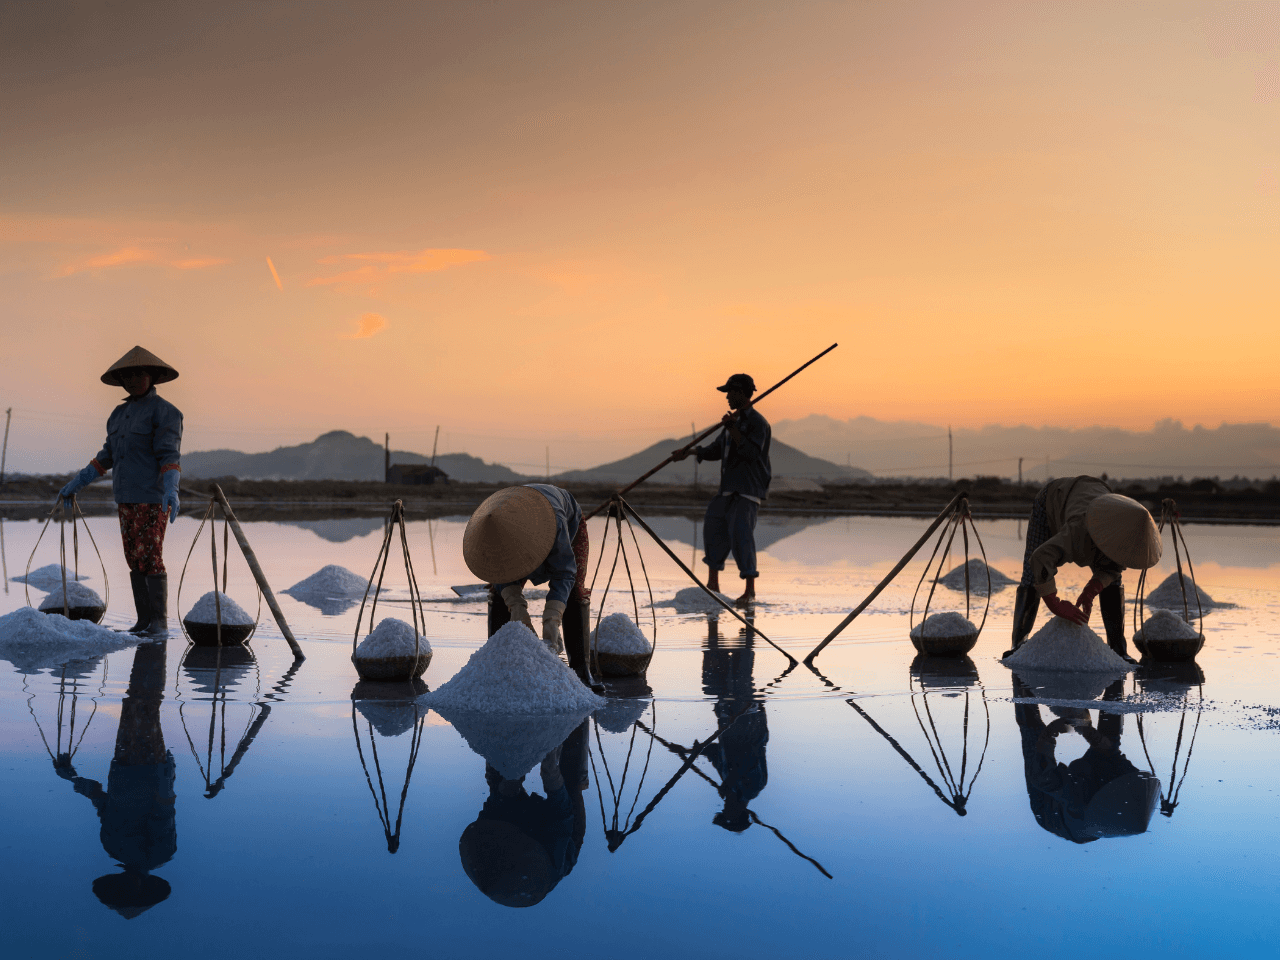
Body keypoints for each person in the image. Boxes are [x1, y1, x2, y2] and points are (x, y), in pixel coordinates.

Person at [58, 346, 183, 638]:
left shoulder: (166, 412)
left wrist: (171, 489)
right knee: (133, 557)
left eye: (140, 374)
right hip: (125, 498)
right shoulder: (118, 414)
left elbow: (169, 456)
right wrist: (75, 484)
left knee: (151, 556)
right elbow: (106, 456)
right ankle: (143, 622)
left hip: (152, 497)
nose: (134, 380)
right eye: (128, 375)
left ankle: (159, 624)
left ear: (152, 376)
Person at [1006, 476, 1161, 663]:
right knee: (1031, 575)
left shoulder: (1125, 534)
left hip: (1095, 492)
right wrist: (1054, 602)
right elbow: (1040, 558)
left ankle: (1118, 648)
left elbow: (1113, 568)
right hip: (1052, 500)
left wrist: (1092, 590)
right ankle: (1018, 643)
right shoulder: (1078, 530)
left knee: (1114, 581)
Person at [1011, 675, 1160, 844]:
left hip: (1047, 807)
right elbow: (1111, 751)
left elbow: (1042, 778)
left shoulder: (1077, 800)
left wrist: (1050, 734)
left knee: (1032, 731)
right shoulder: (1128, 780)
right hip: (1095, 798)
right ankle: (1116, 674)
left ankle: (1019, 675)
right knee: (1109, 737)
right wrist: (1090, 734)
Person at [458, 720, 589, 908]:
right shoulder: (553, 857)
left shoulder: (485, 838)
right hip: (564, 838)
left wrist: (511, 777)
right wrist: (551, 772)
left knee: (500, 775)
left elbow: (499, 799)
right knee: (571, 783)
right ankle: (579, 715)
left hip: (505, 832)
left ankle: (504, 722)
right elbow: (562, 814)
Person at [670, 373, 771, 607]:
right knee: (713, 527)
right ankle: (713, 584)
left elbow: (750, 453)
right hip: (727, 489)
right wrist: (690, 453)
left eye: (730, 392)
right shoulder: (732, 423)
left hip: (747, 490)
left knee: (741, 536)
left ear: (741, 393)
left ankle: (750, 591)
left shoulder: (757, 423)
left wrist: (733, 428)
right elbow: (716, 450)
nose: (726, 397)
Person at [463, 484, 589, 658]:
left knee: (574, 591)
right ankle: (498, 660)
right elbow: (499, 571)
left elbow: (564, 572)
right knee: (499, 593)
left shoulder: (555, 521)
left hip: (565, 521)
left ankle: (581, 672)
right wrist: (516, 606)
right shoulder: (494, 529)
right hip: (514, 529)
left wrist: (552, 617)